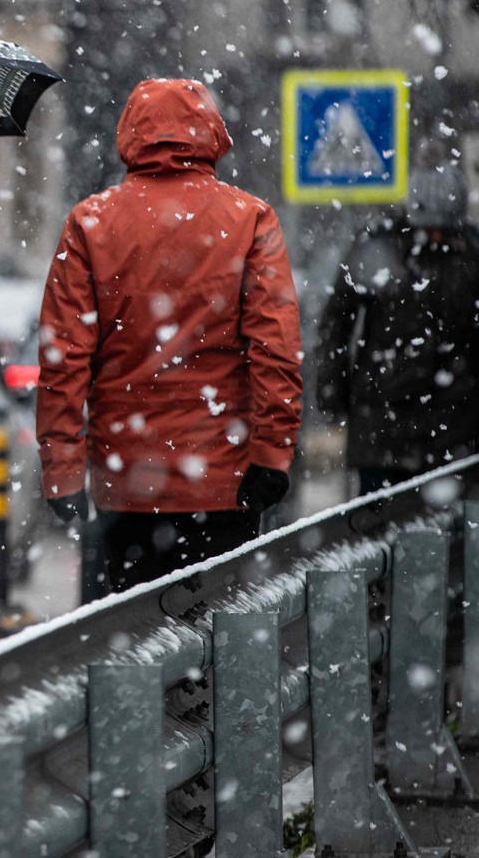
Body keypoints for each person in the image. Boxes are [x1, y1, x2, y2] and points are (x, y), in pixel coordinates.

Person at [36, 78, 303, 593]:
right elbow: (276, 351)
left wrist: (63, 472)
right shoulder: (250, 220)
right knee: (224, 647)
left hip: (127, 483)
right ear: (211, 132)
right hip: (225, 480)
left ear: (130, 135)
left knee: (135, 648)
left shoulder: (89, 224)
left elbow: (63, 360)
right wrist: (271, 455)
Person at [317, 157, 479, 493]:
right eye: (429, 228)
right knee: (379, 535)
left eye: (443, 229)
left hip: (456, 432)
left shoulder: (472, 254)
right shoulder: (378, 245)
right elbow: (337, 320)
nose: (436, 237)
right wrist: (332, 390)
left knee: (452, 537)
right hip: (384, 428)